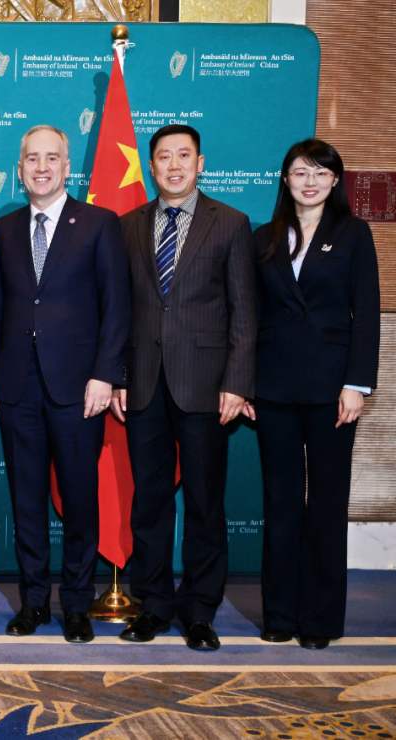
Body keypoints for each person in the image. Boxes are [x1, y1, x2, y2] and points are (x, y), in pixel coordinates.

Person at [113, 124, 256, 651]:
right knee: (149, 502)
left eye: (183, 156)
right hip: (143, 383)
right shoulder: (128, 225)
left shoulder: (231, 223)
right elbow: (119, 310)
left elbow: (244, 310)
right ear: (150, 166)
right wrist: (119, 377)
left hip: (206, 385)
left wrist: (237, 382)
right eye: (163, 157)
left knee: (204, 503)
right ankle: (153, 605)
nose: (173, 166)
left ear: (200, 163)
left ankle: (199, 612)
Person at [0, 125, 130, 644]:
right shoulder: (3, 229)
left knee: (79, 501)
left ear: (68, 167)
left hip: (79, 389)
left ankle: (75, 605)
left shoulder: (99, 223)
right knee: (26, 501)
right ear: (20, 168)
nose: (41, 167)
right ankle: (32, 603)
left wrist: (105, 375)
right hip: (18, 387)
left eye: (52, 158)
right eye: (32, 159)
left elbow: (117, 306)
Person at [248, 139, 379, 650]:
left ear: (334, 181)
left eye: (321, 173)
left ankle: (320, 619)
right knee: (281, 500)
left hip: (332, 387)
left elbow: (366, 312)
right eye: (301, 172)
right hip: (274, 385)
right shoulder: (263, 237)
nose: (310, 182)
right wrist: (245, 383)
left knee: (326, 502)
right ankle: (279, 614)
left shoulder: (353, 233)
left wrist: (356, 384)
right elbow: (250, 315)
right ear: (285, 179)